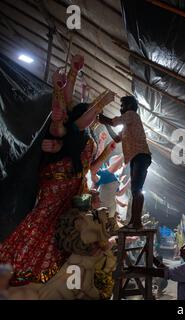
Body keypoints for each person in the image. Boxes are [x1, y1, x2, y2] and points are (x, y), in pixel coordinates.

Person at [0, 66, 115, 286]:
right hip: (54, 191)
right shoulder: (68, 131)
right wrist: (94, 98)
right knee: (39, 226)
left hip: (71, 194)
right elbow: (71, 113)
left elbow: (89, 160)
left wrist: (75, 76)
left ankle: (47, 276)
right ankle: (19, 269)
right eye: (90, 115)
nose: (93, 119)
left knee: (58, 234)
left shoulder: (84, 136)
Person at [99, 96, 152, 229]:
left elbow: (114, 122)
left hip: (141, 156)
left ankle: (136, 222)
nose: (121, 108)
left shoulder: (132, 115)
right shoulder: (128, 126)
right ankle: (134, 221)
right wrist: (105, 123)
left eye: (122, 105)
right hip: (136, 157)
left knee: (136, 190)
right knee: (135, 190)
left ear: (129, 106)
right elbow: (117, 138)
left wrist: (101, 117)